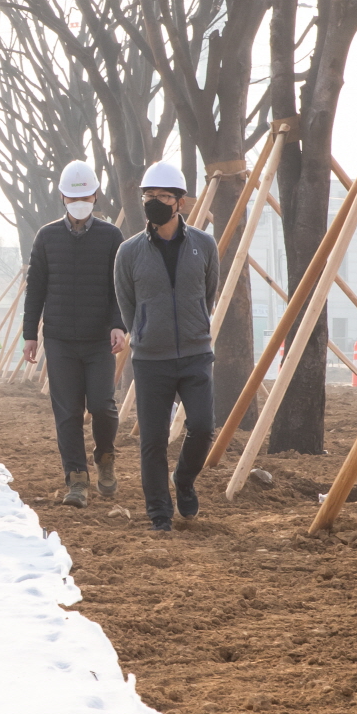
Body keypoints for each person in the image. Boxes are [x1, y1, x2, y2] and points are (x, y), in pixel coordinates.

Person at [115, 161, 220, 532]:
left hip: (195, 355)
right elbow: (127, 305)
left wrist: (194, 324)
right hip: (150, 360)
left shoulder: (204, 245)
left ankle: (185, 479)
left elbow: (208, 294)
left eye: (162, 196)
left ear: (180, 203)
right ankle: (159, 512)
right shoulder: (128, 252)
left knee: (203, 427)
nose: (153, 202)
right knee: (153, 439)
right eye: (148, 196)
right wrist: (145, 331)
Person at [23, 159, 127, 507]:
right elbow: (35, 288)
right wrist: (30, 334)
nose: (79, 203)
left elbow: (119, 288)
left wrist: (118, 324)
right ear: (63, 198)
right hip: (60, 339)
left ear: (95, 196)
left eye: (85, 197)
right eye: (72, 197)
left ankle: (105, 456)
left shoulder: (111, 237)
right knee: (67, 411)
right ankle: (76, 479)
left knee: (102, 405)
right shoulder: (47, 237)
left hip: (99, 340)